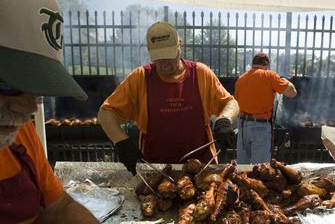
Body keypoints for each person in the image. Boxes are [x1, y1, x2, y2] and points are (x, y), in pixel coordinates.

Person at [0, 0, 189, 224]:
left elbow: (57, 210)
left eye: (37, 89)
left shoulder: (14, 133)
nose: (28, 109)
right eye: (7, 81)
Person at [98, 21, 239, 174]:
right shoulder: (140, 77)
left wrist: (224, 120)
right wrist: (121, 141)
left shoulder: (200, 73)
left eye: (169, 56)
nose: (164, 63)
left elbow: (230, 103)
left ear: (180, 45)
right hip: (156, 170)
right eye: (159, 57)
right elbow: (106, 113)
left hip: (203, 167)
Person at [234, 53, 297, 164]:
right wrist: (284, 80)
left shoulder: (241, 79)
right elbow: (292, 93)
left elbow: (236, 102)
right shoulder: (270, 76)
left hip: (242, 126)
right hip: (260, 127)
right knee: (260, 168)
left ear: (253, 64)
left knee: (242, 169)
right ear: (266, 65)